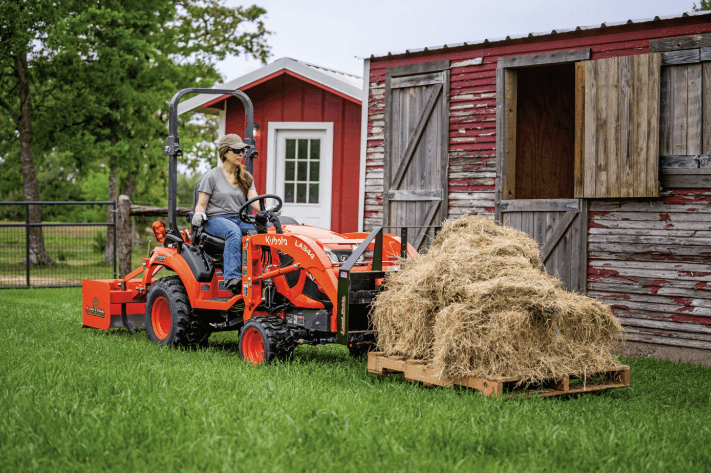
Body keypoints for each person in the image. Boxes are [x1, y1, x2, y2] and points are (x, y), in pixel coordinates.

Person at [192, 134, 262, 293]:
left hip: (239, 218)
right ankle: (232, 278)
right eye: (236, 150)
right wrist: (199, 214)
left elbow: (254, 199)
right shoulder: (212, 176)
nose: (241, 154)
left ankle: (263, 274)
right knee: (233, 231)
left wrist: (267, 208)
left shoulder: (245, 177)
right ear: (224, 153)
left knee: (263, 230)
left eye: (242, 151)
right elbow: (201, 205)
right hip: (216, 220)